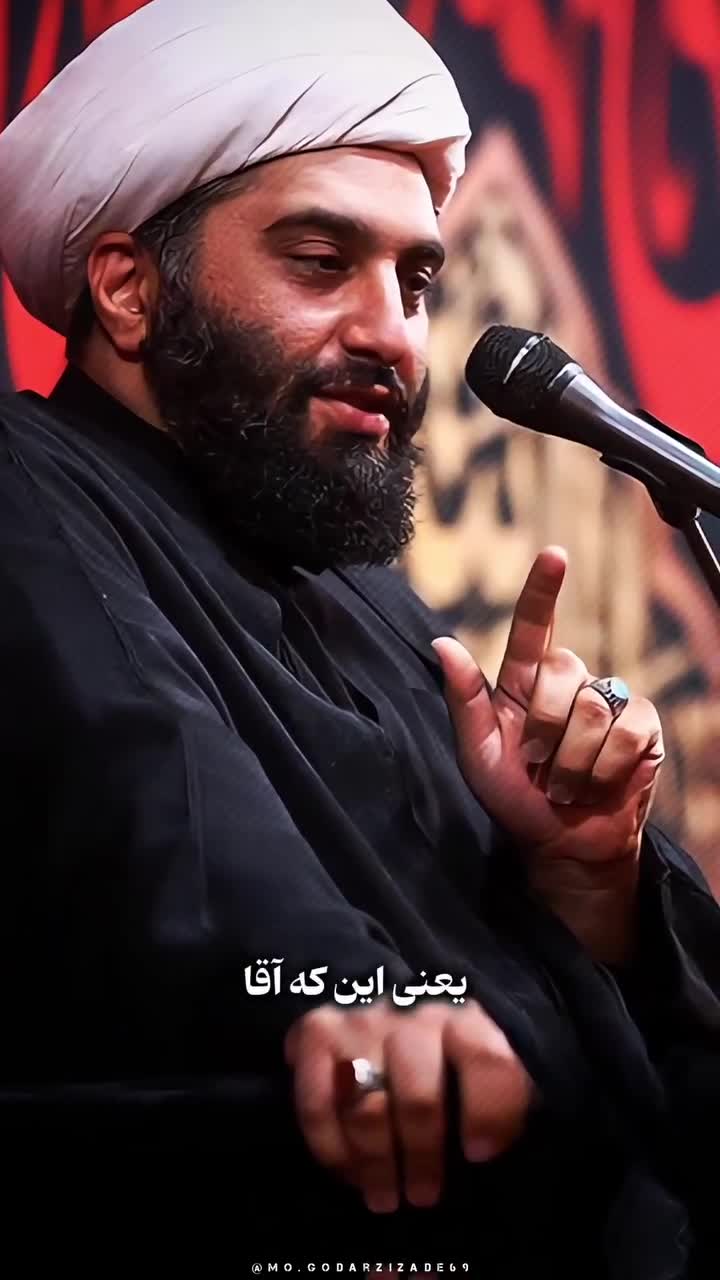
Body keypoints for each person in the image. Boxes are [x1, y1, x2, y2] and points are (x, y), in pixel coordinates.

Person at [0, 0, 717, 1272]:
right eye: (322, 261)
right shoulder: (31, 488)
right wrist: (336, 988)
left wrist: (588, 878)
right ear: (127, 289)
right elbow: (151, 782)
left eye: (415, 279)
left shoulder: (368, 602)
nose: (394, 330)